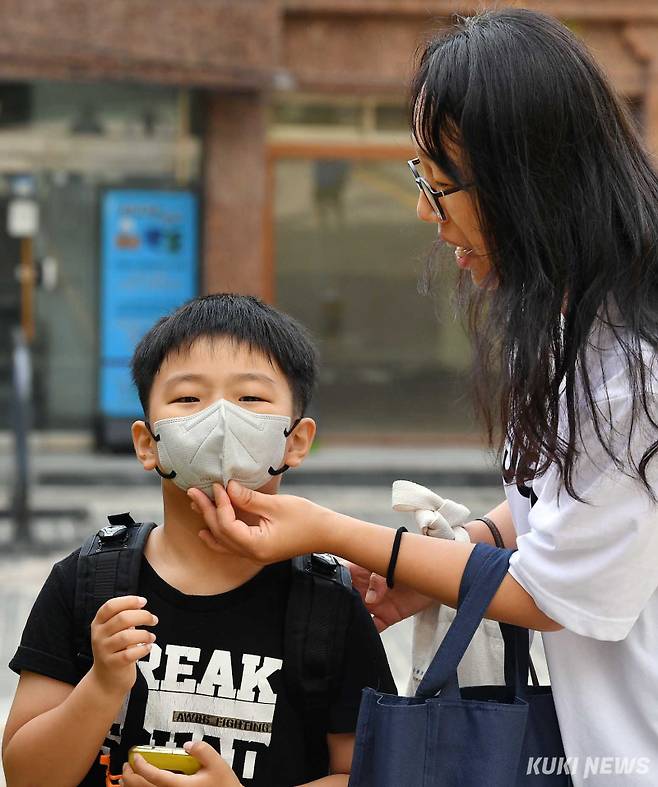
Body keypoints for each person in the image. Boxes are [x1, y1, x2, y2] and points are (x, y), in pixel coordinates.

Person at [184, 10, 658, 787]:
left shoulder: (632, 367)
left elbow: (550, 592)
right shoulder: (574, 319)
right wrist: (470, 539)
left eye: (439, 186)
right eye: (420, 180)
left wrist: (333, 531)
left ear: (528, 182)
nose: (425, 214)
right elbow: (564, 502)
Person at [2, 294, 395, 787]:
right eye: (189, 399)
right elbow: (26, 776)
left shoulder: (329, 603)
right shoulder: (86, 582)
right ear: (148, 442)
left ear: (296, 440)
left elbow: (371, 774)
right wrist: (101, 685)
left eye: (251, 398)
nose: (221, 418)